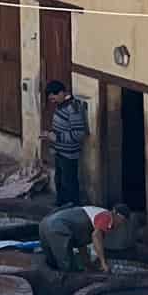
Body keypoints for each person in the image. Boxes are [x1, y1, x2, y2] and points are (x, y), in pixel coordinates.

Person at [39, 202, 126, 273]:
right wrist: (103, 263)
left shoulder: (93, 218)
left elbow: (81, 243)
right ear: (116, 214)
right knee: (68, 269)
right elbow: (96, 237)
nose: (120, 225)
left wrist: (87, 263)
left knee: (53, 265)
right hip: (57, 227)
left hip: (45, 224)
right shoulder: (107, 217)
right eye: (121, 221)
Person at [43, 80, 88, 208]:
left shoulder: (73, 109)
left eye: (54, 98)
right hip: (59, 152)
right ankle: (61, 205)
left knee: (69, 182)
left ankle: (73, 207)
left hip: (69, 154)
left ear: (61, 93)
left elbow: (79, 134)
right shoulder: (61, 105)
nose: (53, 102)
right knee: (59, 181)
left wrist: (56, 137)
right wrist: (51, 138)